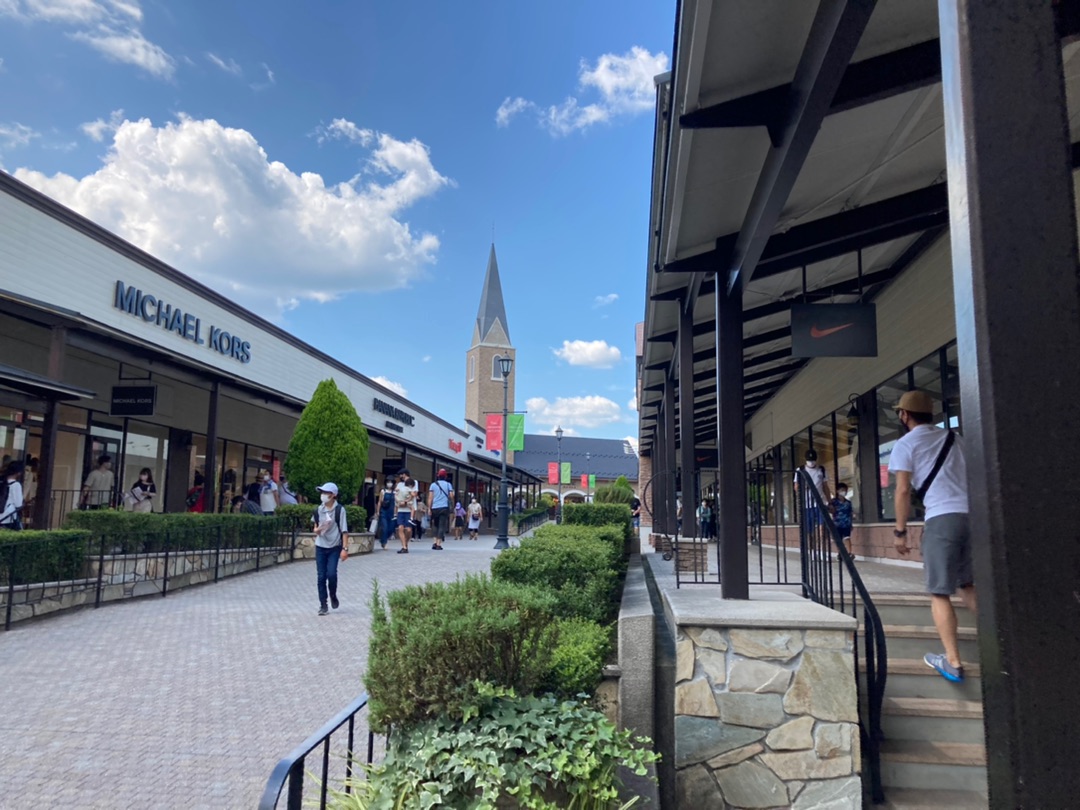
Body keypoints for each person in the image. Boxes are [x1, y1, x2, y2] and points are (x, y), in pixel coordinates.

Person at [889, 389, 976, 683]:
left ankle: (952, 661)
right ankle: (1001, 645)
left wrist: (900, 531)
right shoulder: (955, 438)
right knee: (968, 584)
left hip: (941, 517)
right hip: (972, 517)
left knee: (939, 592)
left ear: (904, 415)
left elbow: (903, 490)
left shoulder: (905, 444)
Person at [312, 482, 348, 615]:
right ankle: (323, 604)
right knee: (321, 576)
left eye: (326, 493)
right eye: (322, 492)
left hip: (334, 546)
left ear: (333, 495)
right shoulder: (318, 509)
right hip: (320, 546)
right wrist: (317, 530)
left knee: (331, 574)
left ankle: (333, 594)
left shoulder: (339, 510)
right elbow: (315, 527)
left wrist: (345, 549)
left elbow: (344, 531)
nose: (323, 495)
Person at [794, 449, 831, 524]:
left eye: (813, 460)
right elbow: (796, 486)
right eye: (809, 460)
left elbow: (825, 487)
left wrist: (829, 502)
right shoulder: (800, 470)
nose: (811, 462)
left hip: (820, 501)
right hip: (807, 503)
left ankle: (821, 532)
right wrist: (802, 489)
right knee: (809, 526)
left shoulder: (821, 470)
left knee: (822, 524)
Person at [427, 469, 453, 550]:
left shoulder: (433, 485)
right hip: (444, 507)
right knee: (442, 525)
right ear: (445, 476)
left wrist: (429, 508)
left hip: (435, 507)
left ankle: (434, 542)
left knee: (435, 524)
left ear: (438, 476)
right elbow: (451, 496)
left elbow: (430, 498)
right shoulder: (448, 485)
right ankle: (438, 544)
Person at [394, 468, 416, 554]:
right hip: (400, 509)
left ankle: (405, 544)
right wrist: (399, 502)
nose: (400, 476)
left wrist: (406, 502)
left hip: (409, 509)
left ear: (405, 474)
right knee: (400, 527)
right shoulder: (399, 484)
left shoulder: (413, 482)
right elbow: (396, 494)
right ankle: (404, 546)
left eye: (401, 474)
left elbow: (414, 494)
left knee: (409, 530)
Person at [1, 462, 24, 530]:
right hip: (7, 517)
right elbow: (18, 504)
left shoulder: (2, 482)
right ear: (18, 473)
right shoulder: (16, 485)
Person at [377, 478, 396, 549]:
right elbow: (379, 502)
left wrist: (396, 513)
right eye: (388, 482)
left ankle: (383, 539)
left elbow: (396, 504)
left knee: (391, 528)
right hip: (384, 511)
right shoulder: (383, 491)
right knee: (384, 527)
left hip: (391, 512)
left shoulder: (395, 492)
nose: (389, 484)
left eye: (391, 482)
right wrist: (378, 511)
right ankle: (384, 542)